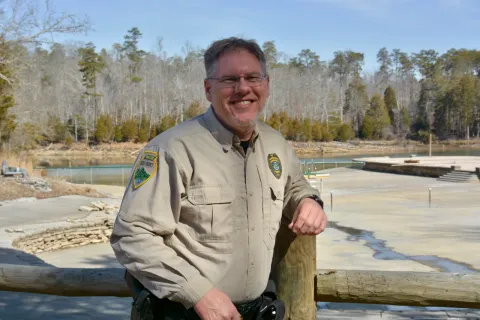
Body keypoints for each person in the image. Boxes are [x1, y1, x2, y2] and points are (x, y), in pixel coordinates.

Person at [110, 37, 328, 320]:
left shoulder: (276, 144)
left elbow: (293, 184)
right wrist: (197, 293)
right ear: (208, 88)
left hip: (256, 311)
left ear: (267, 84)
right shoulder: (172, 150)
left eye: (252, 77)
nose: (243, 88)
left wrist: (308, 200)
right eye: (229, 80)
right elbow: (132, 235)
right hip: (186, 313)